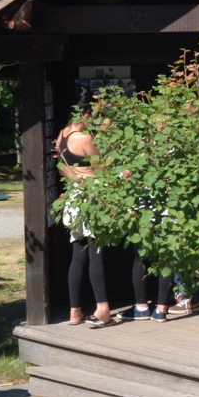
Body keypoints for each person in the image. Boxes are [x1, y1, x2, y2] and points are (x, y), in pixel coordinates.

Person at [54, 117, 118, 327]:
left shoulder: (62, 135)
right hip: (91, 196)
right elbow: (102, 169)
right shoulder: (84, 138)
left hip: (73, 196)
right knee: (95, 253)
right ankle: (103, 310)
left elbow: (62, 168)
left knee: (78, 254)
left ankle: (75, 311)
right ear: (86, 114)